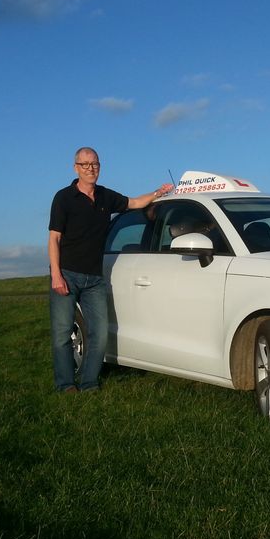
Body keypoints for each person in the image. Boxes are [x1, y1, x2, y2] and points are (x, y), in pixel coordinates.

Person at [48, 147, 174, 393]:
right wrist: (56, 275)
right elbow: (54, 238)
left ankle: (89, 382)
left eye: (94, 164)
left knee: (100, 334)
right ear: (75, 168)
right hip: (67, 274)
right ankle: (66, 384)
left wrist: (158, 193)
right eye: (85, 164)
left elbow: (134, 203)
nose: (90, 169)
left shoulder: (106, 196)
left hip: (95, 278)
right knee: (62, 334)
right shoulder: (63, 198)